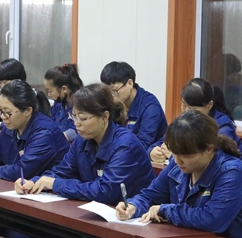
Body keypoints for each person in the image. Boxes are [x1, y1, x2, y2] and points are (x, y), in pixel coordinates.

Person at [118, 111, 242, 238]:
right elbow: (149, 196)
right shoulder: (177, 164)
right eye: (175, 153)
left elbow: (212, 220)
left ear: (209, 149)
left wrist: (165, 210)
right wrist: (133, 206)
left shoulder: (232, 172)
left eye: (186, 155)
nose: (178, 161)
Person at [16, 83, 153, 205]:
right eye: (74, 116)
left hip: (132, 216)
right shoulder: (82, 140)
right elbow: (62, 171)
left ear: (105, 116)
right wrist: (34, 182)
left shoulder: (125, 146)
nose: (76, 123)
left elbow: (105, 191)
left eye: (82, 118)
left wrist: (56, 184)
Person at [0, 80, 69, 181]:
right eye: (0, 110)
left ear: (27, 110)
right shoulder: (10, 127)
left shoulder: (44, 133)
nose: (2, 117)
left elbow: (21, 172)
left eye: (8, 112)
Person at [149, 78, 238, 163]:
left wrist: (175, 157)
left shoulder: (223, 126)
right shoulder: (184, 120)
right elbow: (164, 141)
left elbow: (216, 161)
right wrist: (152, 152)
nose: (186, 111)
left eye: (193, 109)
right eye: (184, 104)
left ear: (209, 105)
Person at [100, 61, 167, 149]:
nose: (111, 96)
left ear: (130, 83)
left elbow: (142, 145)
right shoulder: (111, 102)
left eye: (115, 90)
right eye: (107, 91)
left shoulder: (150, 107)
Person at [44, 63, 84, 143]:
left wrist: (60, 137)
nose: (49, 94)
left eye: (50, 91)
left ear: (64, 89)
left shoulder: (81, 104)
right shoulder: (58, 103)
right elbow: (51, 121)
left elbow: (78, 130)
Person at [0, 58, 27, 125]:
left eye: (5, 82)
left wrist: (2, 125)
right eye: (0, 83)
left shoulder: (28, 99)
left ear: (18, 80)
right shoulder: (5, 99)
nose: (2, 87)